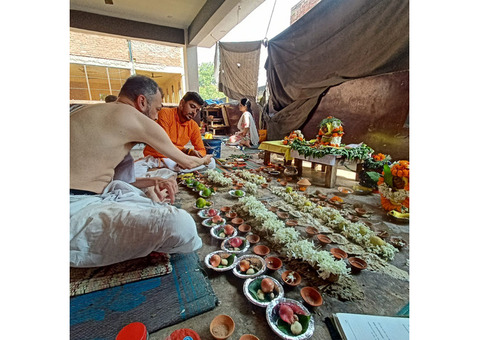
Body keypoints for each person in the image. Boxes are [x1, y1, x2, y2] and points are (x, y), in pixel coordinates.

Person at [70, 75, 212, 268]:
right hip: (76, 207)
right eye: (157, 109)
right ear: (142, 101)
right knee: (182, 225)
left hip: (90, 194)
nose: (156, 117)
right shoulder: (130, 115)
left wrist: (153, 181)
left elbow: (119, 179)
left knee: (154, 187)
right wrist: (205, 160)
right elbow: (187, 163)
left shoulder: (91, 110)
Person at [143, 92, 207, 159]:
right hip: (157, 156)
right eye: (192, 107)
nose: (194, 112)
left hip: (178, 158)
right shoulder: (165, 114)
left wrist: (198, 155)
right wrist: (187, 151)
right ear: (181, 103)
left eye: (197, 110)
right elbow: (164, 144)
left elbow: (201, 149)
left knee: (211, 162)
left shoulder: (193, 125)